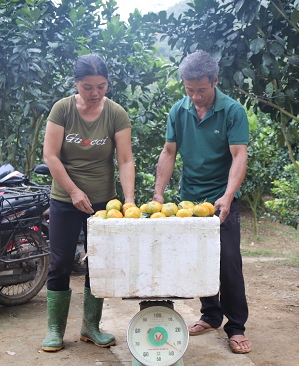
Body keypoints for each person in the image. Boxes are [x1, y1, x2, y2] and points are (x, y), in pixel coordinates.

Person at [153, 50, 252, 354]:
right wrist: (159, 192)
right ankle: (211, 315)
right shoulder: (178, 111)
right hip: (188, 201)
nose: (195, 96)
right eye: (189, 90)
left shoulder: (233, 111)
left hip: (222, 200)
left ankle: (236, 327)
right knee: (196, 261)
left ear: (215, 81)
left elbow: (239, 156)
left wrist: (228, 194)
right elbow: (169, 152)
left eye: (202, 90)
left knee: (228, 263)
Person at [41, 54, 135, 352]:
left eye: (101, 86)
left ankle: (90, 327)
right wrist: (73, 191)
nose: (95, 93)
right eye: (87, 87)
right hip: (65, 199)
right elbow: (51, 156)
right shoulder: (63, 109)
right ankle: (55, 330)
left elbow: (125, 159)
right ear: (76, 84)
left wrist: (129, 200)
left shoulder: (116, 113)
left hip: (104, 203)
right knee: (59, 263)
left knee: (98, 264)